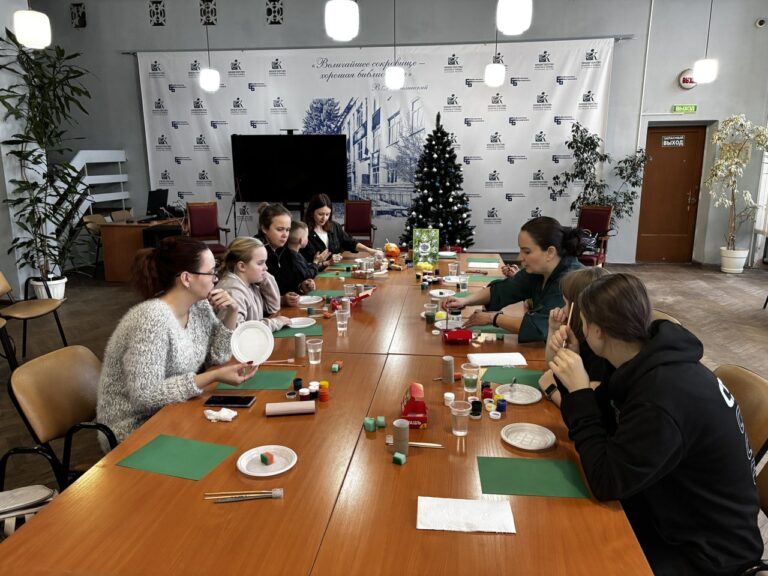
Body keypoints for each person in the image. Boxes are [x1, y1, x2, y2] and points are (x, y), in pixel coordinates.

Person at [549, 273, 763, 575]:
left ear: (595, 331)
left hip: (704, 553)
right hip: (666, 510)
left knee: (566, 550)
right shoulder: (643, 362)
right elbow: (606, 422)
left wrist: (581, 393)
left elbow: (606, 482)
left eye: (582, 322)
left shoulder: (662, 395)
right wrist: (574, 371)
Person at [97, 237, 257, 447]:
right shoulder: (151, 318)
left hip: (175, 409)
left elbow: (219, 356)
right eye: (211, 272)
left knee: (240, 434)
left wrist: (232, 311)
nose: (215, 279)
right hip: (135, 427)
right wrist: (213, 376)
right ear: (186, 278)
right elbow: (146, 395)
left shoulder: (199, 306)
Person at [441, 216, 583, 342]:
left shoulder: (570, 281)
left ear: (550, 252)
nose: (519, 257)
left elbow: (539, 328)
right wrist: (464, 301)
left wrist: (493, 318)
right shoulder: (539, 270)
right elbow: (503, 290)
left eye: (527, 251)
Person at [539, 267, 611, 408]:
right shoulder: (579, 337)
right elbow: (551, 365)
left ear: (579, 309)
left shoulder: (600, 354)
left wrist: (551, 390)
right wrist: (553, 329)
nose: (562, 309)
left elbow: (588, 408)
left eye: (566, 303)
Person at [216, 236, 290, 331]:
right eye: (260, 263)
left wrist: (264, 276)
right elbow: (238, 331)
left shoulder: (251, 284)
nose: (266, 267)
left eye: (265, 262)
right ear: (242, 266)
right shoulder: (232, 290)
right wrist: (275, 323)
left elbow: (273, 308)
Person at [300, 193, 382, 268]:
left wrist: (371, 251)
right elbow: (302, 265)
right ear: (311, 213)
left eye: (327, 214)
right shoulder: (303, 232)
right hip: (316, 273)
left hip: (334, 269)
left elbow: (350, 242)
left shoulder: (334, 226)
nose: (324, 218)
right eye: (320, 214)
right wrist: (324, 262)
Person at [256, 203, 315, 305]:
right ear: (264, 228)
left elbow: (287, 285)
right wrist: (281, 300)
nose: (285, 235)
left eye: (287, 230)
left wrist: (301, 287)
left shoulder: (285, 251)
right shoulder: (256, 252)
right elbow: (254, 297)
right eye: (280, 229)